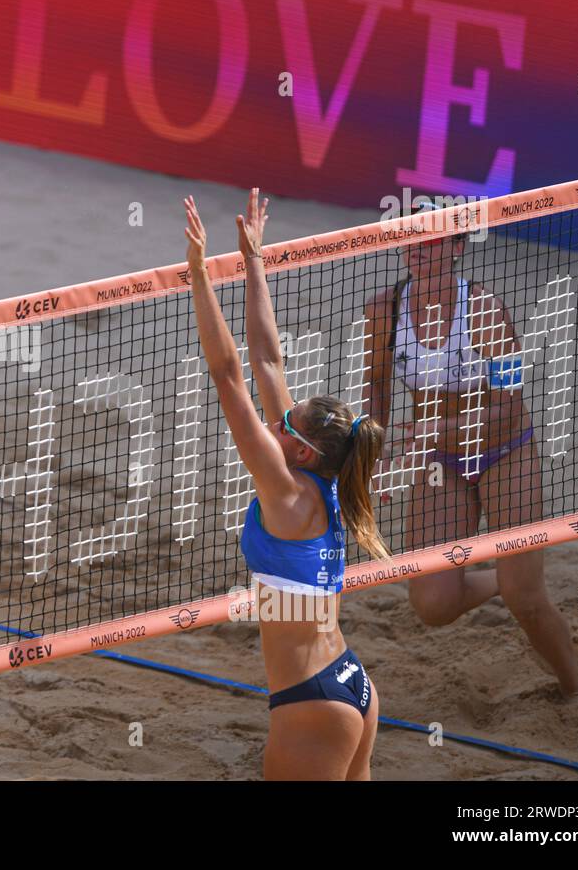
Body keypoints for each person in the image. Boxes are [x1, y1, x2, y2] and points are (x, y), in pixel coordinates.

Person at [186, 189, 388, 779]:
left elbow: (229, 377)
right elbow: (268, 363)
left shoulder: (284, 488)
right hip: (351, 683)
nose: (274, 421)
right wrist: (253, 262)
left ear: (299, 449)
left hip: (313, 703)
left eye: (283, 424)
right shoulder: (322, 481)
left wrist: (199, 275)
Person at [363, 210, 578, 703]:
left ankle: (575, 690)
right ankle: (503, 577)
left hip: (505, 452)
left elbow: (509, 408)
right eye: (414, 246)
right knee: (434, 606)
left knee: (527, 601)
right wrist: (373, 451)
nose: (421, 255)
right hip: (441, 461)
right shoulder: (383, 311)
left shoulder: (485, 309)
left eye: (434, 245)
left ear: (458, 248)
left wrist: (440, 427)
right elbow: (376, 388)